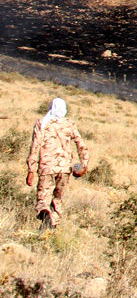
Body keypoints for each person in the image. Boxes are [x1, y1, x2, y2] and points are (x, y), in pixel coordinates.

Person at [26, 98, 89, 231]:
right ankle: (51, 230)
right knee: (57, 200)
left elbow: (35, 147)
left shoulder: (42, 123)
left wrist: (31, 170)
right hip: (65, 169)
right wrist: (84, 164)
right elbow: (81, 144)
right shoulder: (69, 124)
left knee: (43, 199)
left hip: (47, 167)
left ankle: (45, 216)